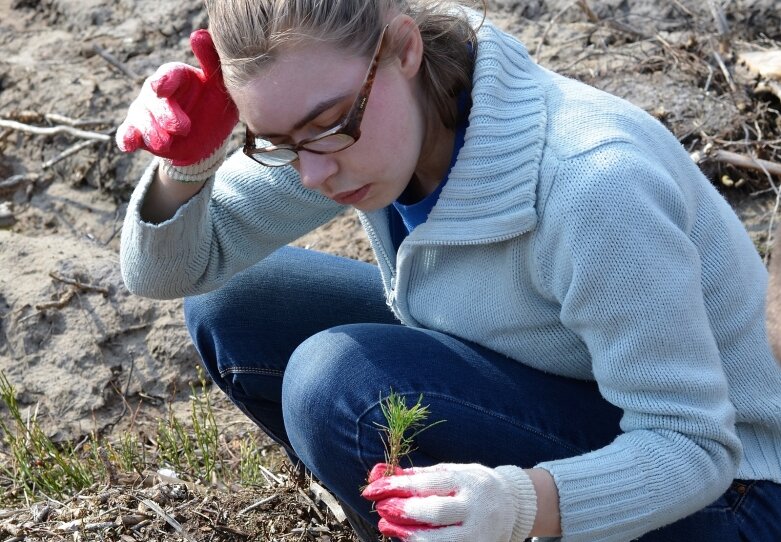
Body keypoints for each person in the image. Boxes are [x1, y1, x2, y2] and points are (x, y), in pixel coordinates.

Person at [115, 0, 781, 540]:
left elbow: (694, 446)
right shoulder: (357, 119)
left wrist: (523, 506)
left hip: (730, 495)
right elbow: (175, 270)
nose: (311, 173)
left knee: (340, 385)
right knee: (237, 305)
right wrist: (187, 168)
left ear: (405, 49)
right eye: (277, 142)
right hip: (558, 387)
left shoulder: (591, 182)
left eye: (324, 126)